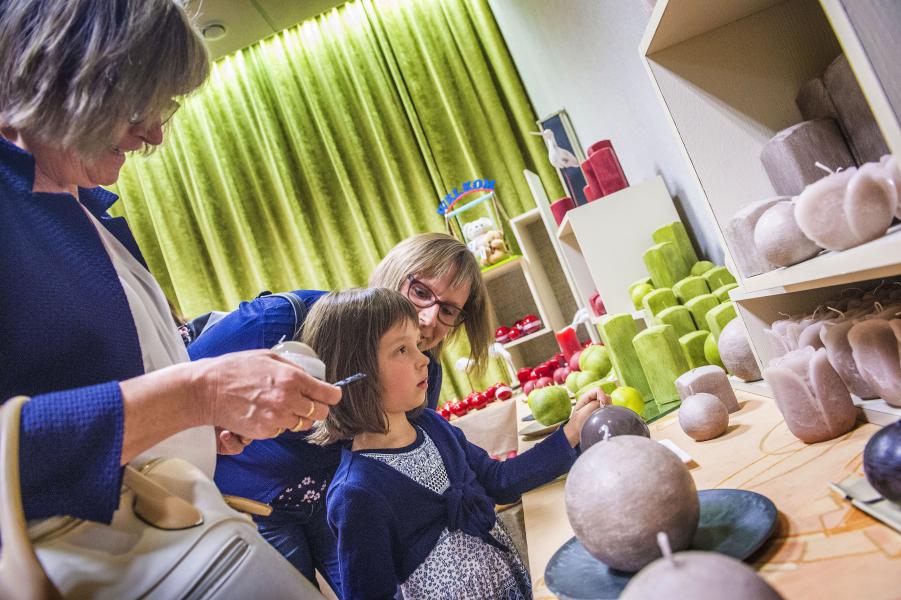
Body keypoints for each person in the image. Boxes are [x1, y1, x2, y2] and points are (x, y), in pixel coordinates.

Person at [0, 0, 340, 537]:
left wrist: (198, 419)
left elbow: (104, 392)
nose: (154, 134)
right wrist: (196, 393)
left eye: (164, 107)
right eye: (138, 105)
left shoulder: (86, 206)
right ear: (64, 75)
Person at [189, 233, 491, 589]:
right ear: (392, 273)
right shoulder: (279, 320)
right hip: (249, 505)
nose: (428, 319)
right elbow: (180, 380)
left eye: (448, 310)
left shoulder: (424, 373)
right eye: (421, 291)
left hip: (338, 509)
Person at [304, 288, 600, 600]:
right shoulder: (356, 492)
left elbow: (499, 481)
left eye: (417, 344)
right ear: (354, 374)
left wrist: (570, 433)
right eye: (401, 350)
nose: (422, 360)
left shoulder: (434, 427)